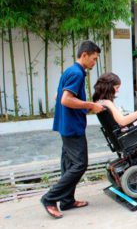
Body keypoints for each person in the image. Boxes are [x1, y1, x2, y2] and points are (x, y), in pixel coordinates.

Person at [41, 41, 104, 219]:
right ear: (84, 54)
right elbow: (65, 100)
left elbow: (57, 95)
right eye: (94, 58)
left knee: (68, 164)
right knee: (79, 165)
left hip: (66, 124)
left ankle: (67, 200)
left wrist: (81, 104)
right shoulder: (77, 73)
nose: (94, 62)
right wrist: (90, 105)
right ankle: (49, 198)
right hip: (72, 126)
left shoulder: (70, 71)